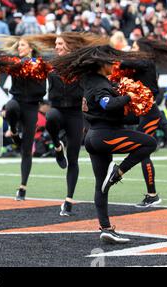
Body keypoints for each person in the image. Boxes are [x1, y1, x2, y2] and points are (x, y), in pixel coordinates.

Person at [51, 45, 158, 244]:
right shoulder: (99, 85)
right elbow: (107, 105)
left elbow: (111, 113)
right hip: (104, 137)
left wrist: (134, 112)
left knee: (101, 186)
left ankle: (106, 228)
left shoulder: (92, 81)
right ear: (101, 64)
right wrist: (128, 97)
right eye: (110, 62)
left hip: (93, 137)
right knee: (149, 143)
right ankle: (117, 173)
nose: (114, 65)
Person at [34, 32, 107, 216]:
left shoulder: (82, 65)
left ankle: (68, 201)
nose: (56, 46)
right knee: (50, 117)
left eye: (60, 43)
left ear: (69, 45)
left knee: (73, 157)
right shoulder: (50, 63)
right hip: (57, 109)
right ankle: (57, 145)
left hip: (76, 114)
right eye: (56, 43)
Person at [121, 38, 167, 207]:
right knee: (141, 151)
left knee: (143, 152)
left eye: (135, 46)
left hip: (150, 114)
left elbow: (124, 63)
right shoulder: (141, 64)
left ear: (142, 50)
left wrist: (112, 55)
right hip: (143, 113)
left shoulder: (146, 62)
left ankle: (152, 195)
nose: (132, 48)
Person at [0, 35, 48, 201]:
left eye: (22, 45)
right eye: (18, 45)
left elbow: (42, 89)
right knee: (10, 106)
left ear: (30, 48)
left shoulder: (40, 65)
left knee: (27, 149)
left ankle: (22, 187)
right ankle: (13, 130)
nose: (19, 48)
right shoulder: (14, 63)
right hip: (17, 103)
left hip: (32, 107)